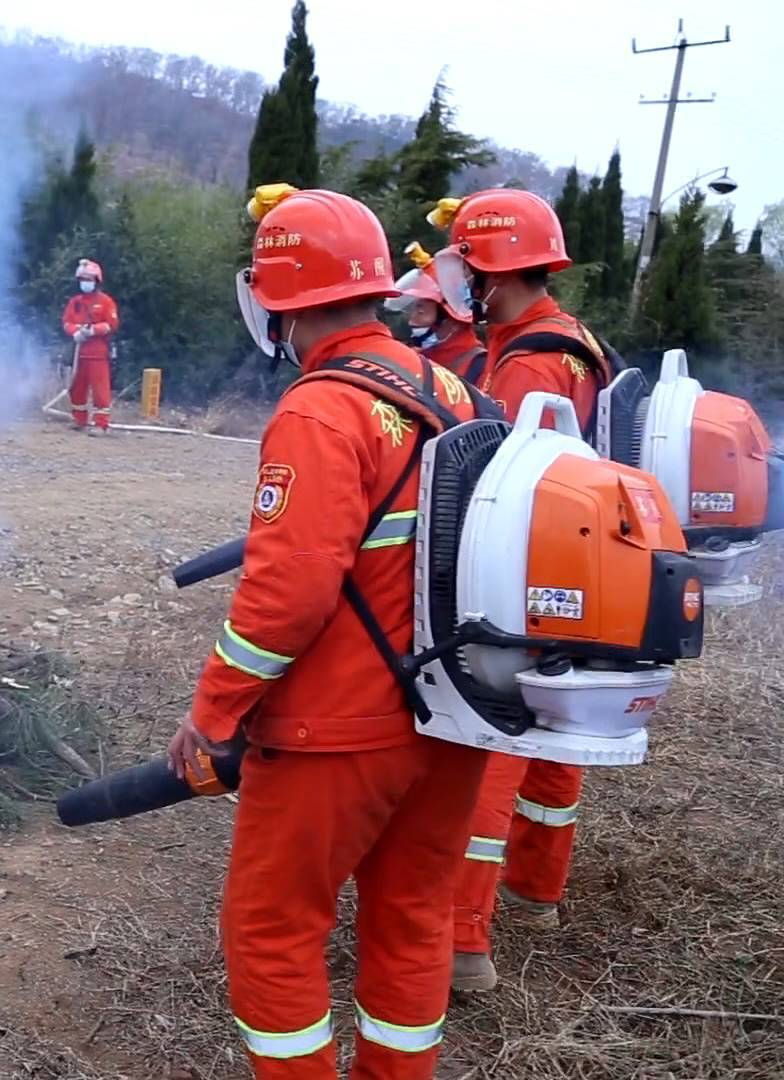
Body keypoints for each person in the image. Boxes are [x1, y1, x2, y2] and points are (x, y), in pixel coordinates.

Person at [168, 184, 488, 1078]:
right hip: (450, 716)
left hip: (338, 732)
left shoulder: (319, 409)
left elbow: (289, 596)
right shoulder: (453, 389)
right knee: (413, 917)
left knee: (272, 932)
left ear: (278, 300)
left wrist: (216, 712)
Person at [428, 189, 614, 995]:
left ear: (492, 272)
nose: (459, 279)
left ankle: (463, 947)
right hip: (568, 570)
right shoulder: (567, 340)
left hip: (521, 573)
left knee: (489, 751)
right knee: (548, 751)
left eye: (465, 263)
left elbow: (494, 475)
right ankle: (536, 893)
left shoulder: (530, 357)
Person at [384, 243, 487, 390]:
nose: (412, 319)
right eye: (414, 309)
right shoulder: (411, 361)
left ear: (452, 322)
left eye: (421, 310)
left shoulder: (480, 370)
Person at [61, 258, 119, 434]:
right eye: (82, 280)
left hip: (98, 354)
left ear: (97, 281)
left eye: (89, 279)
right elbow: (66, 322)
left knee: (101, 390)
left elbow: (112, 324)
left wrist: (92, 331)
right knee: (76, 388)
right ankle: (79, 420)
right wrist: (75, 332)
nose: (85, 283)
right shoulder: (75, 302)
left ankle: (101, 424)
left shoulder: (106, 302)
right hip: (79, 355)